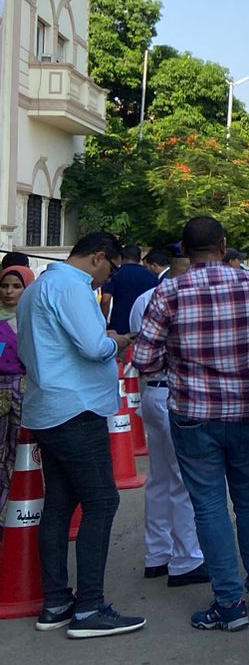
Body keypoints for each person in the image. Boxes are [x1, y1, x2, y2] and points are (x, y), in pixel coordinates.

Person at [130, 216, 249, 630]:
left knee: (209, 505)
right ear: (223, 245)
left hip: (194, 414)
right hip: (248, 409)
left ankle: (229, 604)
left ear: (183, 249)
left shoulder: (169, 292)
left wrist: (178, 363)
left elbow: (144, 359)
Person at [17, 232, 145, 637]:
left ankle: (56, 601)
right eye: (112, 269)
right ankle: (89, 608)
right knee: (102, 501)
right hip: (76, 408)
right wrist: (116, 342)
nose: (109, 278)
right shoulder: (72, 287)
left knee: (59, 504)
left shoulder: (38, 288)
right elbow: (92, 346)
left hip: (48, 407)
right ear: (98, 258)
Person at [125, 253, 206, 586]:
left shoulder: (146, 299)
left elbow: (138, 345)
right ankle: (187, 558)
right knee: (185, 479)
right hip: (175, 392)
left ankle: (158, 553)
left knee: (160, 478)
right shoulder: (188, 296)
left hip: (152, 392)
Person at [0, 264, 35, 517]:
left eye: (16, 286)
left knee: (18, 455)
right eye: (4, 286)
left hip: (25, 396)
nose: (9, 292)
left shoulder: (34, 320)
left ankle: (11, 515)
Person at [102, 243, 158, 336]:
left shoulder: (114, 273)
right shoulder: (152, 277)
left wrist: (102, 322)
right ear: (139, 258)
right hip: (143, 326)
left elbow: (105, 300)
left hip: (118, 327)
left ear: (122, 257)